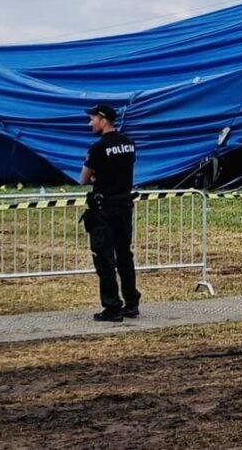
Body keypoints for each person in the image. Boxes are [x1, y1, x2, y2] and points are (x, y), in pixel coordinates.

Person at [80, 104, 139, 322]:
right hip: (124, 206)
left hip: (104, 209)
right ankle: (131, 303)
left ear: (103, 120)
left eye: (93, 118)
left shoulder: (97, 148)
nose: (90, 123)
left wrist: (97, 177)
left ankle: (112, 306)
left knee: (104, 257)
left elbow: (84, 179)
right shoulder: (129, 144)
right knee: (124, 254)